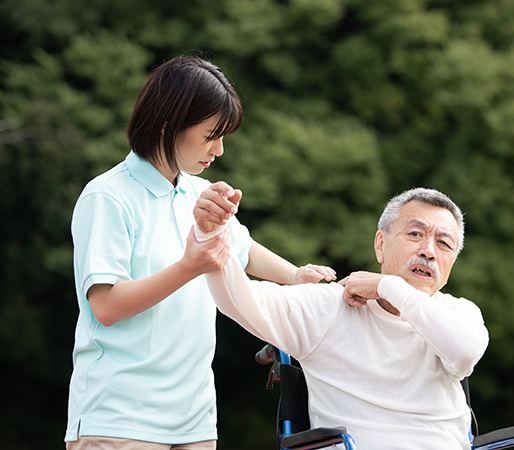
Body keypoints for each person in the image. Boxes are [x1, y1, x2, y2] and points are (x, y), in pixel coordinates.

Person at [65, 55, 335, 450]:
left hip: (195, 422)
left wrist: (296, 275)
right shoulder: (108, 196)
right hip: (119, 422)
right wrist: (189, 267)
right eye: (211, 135)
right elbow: (105, 306)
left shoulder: (194, 191)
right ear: (167, 124)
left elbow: (242, 250)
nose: (220, 149)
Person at [196, 187, 490, 450]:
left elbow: (464, 355)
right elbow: (238, 300)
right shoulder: (331, 306)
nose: (428, 251)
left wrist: (388, 287)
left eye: (443, 243)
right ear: (380, 245)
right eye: (415, 234)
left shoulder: (459, 313)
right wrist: (210, 234)